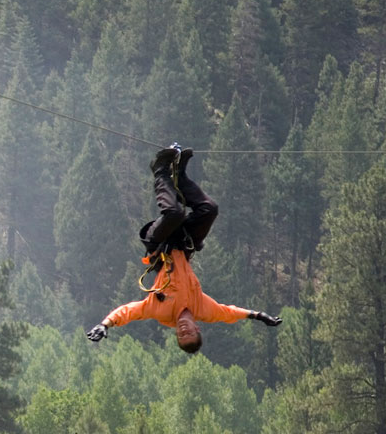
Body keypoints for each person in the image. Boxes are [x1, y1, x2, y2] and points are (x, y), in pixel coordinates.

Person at [86, 144, 282, 353]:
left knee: (174, 214)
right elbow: (229, 313)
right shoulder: (203, 309)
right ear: (197, 328)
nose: (183, 330)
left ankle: (160, 169)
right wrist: (259, 316)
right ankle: (179, 176)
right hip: (183, 244)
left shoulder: (160, 311)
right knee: (209, 210)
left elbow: (128, 311)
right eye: (189, 333)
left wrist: (105, 324)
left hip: (159, 245)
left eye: (180, 335)